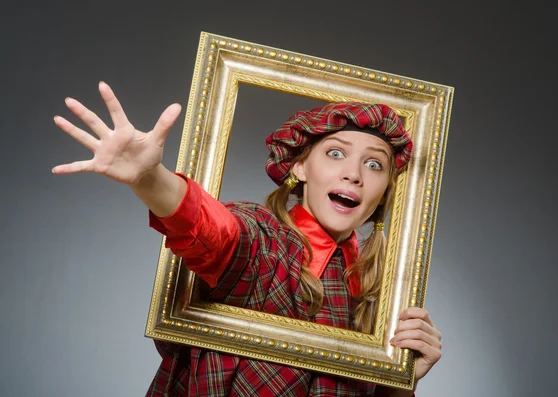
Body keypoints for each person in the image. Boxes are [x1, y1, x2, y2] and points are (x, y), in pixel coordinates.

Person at [53, 82, 443, 396]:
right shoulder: (262, 243)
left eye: (374, 164)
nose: (354, 174)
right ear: (300, 166)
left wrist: (400, 380)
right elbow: (214, 231)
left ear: (385, 188)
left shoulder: (379, 295)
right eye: (336, 154)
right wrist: (149, 178)